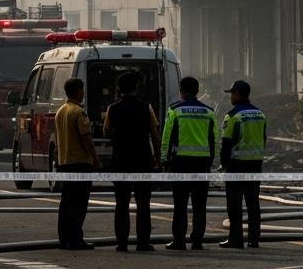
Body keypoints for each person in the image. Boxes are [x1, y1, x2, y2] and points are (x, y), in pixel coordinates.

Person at [103, 71, 161, 252]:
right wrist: (158, 158)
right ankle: (143, 243)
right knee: (143, 203)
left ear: (119, 89)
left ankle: (122, 243)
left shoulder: (112, 109)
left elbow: (106, 133)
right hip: (143, 160)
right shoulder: (147, 108)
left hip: (120, 160)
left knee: (122, 203)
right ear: (137, 87)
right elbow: (155, 134)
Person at [160, 76, 216, 251]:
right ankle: (197, 241)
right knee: (200, 206)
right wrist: (211, 160)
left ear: (181, 91)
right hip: (202, 163)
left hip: (181, 163)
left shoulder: (175, 110)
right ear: (197, 92)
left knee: (180, 205)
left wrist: (164, 159)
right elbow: (214, 139)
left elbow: (167, 137)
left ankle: (179, 241)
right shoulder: (209, 111)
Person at [218, 79, 266, 249]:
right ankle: (254, 238)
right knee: (253, 202)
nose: (230, 96)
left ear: (237, 94)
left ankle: (236, 239)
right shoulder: (260, 114)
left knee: (234, 204)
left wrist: (223, 164)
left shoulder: (232, 116)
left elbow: (226, 143)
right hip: (255, 164)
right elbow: (263, 139)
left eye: (231, 93)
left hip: (236, 165)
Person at [54, 77, 100, 250]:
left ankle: (64, 238)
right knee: (80, 203)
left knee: (66, 203)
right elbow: (86, 138)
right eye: (82, 90)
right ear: (79, 91)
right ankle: (76, 239)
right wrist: (95, 159)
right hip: (80, 163)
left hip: (64, 162)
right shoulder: (79, 113)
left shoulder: (61, 111)